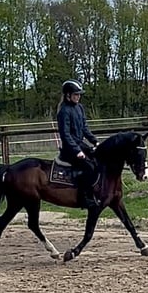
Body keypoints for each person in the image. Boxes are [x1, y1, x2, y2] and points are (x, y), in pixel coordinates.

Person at [57, 79, 100, 209]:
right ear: (68, 95)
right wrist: (77, 151)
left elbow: (85, 128)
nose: (78, 96)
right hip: (70, 148)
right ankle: (83, 198)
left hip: (80, 144)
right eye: (76, 94)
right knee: (89, 167)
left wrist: (95, 141)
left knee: (97, 161)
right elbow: (65, 135)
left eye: (79, 94)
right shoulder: (64, 111)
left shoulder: (79, 108)